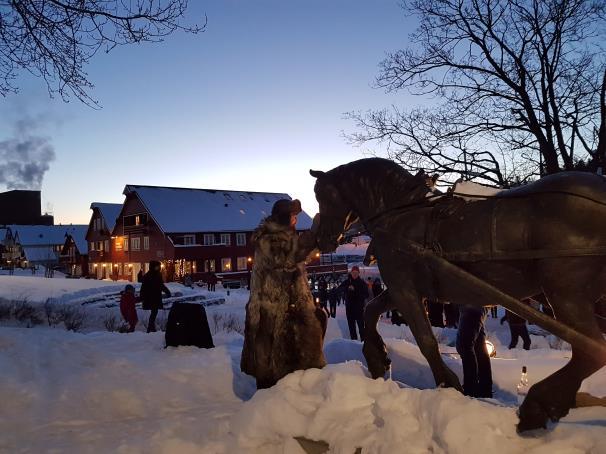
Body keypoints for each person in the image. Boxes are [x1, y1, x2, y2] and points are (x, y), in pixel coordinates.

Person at [241, 199, 327, 389]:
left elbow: (300, 254)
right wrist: (313, 233)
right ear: (284, 218)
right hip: (271, 311)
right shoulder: (270, 239)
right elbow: (289, 258)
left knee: (297, 363)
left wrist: (320, 239)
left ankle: (293, 402)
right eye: (293, 217)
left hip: (290, 309)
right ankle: (269, 409)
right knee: (271, 366)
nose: (296, 221)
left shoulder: (283, 238)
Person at [456, 305, 493, 398]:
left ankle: (471, 391)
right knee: (478, 347)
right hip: (475, 304)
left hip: (472, 302)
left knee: (465, 346)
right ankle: (484, 389)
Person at [140, 260, 171, 333]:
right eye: (157, 267)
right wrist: (142, 297)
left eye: (159, 267)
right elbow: (144, 288)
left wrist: (167, 291)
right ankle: (150, 329)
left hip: (155, 296)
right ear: (153, 267)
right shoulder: (149, 276)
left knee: (154, 312)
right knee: (154, 312)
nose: (158, 268)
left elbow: (161, 285)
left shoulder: (157, 275)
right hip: (150, 297)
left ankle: (151, 329)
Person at [339, 265, 369, 341]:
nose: (354, 274)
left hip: (359, 309)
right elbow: (339, 289)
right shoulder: (347, 282)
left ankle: (363, 344)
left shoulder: (362, 283)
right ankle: (354, 344)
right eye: (353, 272)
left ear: (359, 273)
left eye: (356, 272)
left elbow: (366, 294)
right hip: (349, 309)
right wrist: (347, 288)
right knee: (352, 329)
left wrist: (356, 292)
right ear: (351, 273)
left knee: (361, 328)